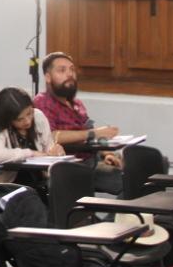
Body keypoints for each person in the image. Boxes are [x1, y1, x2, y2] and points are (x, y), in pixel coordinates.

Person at [32, 52, 123, 194]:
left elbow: (90, 135)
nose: (69, 74)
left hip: (92, 160)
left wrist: (106, 154)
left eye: (72, 70)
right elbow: (52, 136)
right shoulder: (42, 102)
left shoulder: (76, 104)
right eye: (62, 70)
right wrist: (93, 133)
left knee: (147, 165)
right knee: (127, 176)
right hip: (69, 166)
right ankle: (117, 216)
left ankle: (117, 216)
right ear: (48, 77)